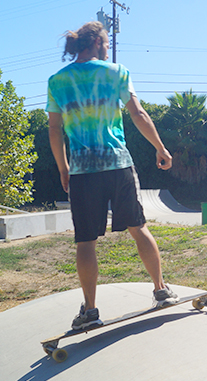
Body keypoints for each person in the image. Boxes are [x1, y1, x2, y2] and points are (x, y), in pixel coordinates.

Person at [47, 21, 177, 330]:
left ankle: (90, 310)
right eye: (106, 43)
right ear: (96, 44)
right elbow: (138, 114)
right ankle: (161, 290)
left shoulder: (57, 81)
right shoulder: (116, 72)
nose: (108, 48)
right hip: (118, 166)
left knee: (86, 242)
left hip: (82, 172)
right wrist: (161, 148)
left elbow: (54, 129)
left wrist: (63, 168)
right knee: (139, 227)